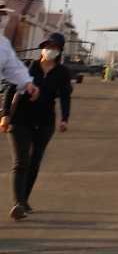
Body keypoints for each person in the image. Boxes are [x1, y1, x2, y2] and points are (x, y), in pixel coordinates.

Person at [1, 32, 70, 221]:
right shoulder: (27, 66)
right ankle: (18, 204)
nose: (50, 50)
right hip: (20, 120)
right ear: (42, 48)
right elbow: (10, 89)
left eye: (54, 47)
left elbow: (65, 96)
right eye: (48, 46)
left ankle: (24, 200)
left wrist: (64, 118)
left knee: (34, 161)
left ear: (60, 50)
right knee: (21, 161)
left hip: (45, 122)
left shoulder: (62, 73)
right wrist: (5, 114)